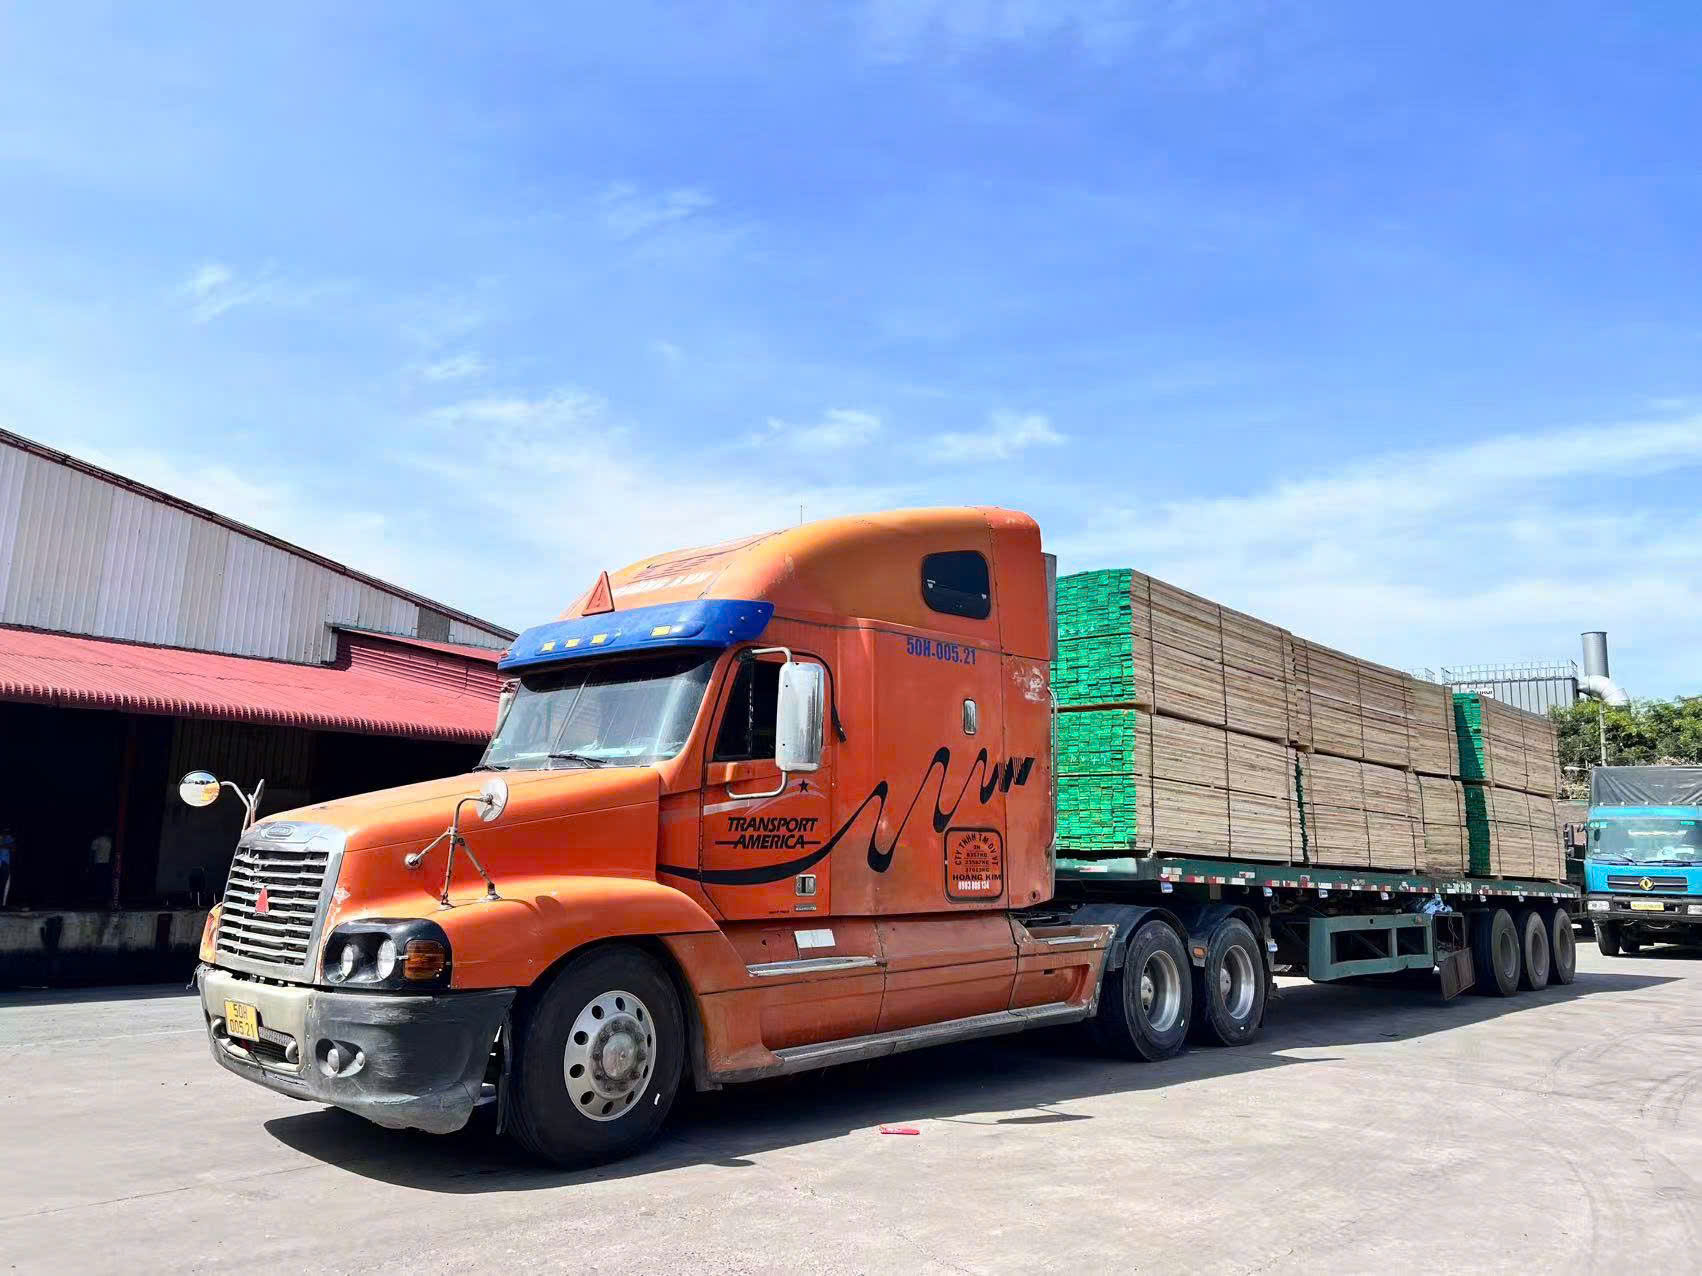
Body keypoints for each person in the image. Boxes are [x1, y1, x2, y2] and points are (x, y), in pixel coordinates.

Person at [0, 826, 14, 907]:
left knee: (5, 883)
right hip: (3, 861)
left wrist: (3, 845)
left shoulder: (9, 838)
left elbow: (12, 847)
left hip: (6, 862)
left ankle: (4, 903)